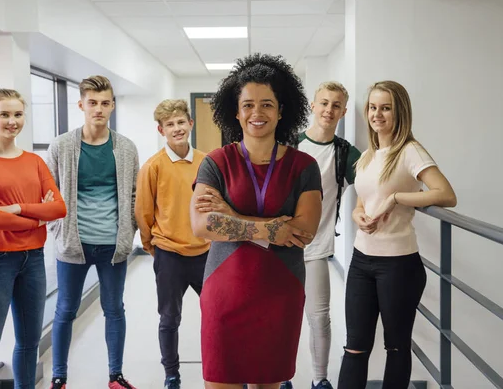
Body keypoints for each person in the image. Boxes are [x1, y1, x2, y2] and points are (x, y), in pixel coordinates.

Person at [190, 53, 323, 389]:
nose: (257, 113)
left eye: (267, 104)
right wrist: (269, 229)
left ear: (282, 111)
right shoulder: (216, 163)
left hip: (281, 292)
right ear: (236, 112)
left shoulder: (304, 167)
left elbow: (304, 231)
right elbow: (202, 225)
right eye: (248, 105)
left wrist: (233, 217)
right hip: (226, 291)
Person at [337, 81, 457, 389]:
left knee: (396, 346)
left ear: (399, 112)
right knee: (354, 347)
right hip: (362, 261)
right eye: (373, 107)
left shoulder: (410, 151)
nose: (377, 114)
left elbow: (445, 194)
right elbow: (363, 197)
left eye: (385, 108)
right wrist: (357, 214)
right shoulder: (368, 155)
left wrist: (399, 198)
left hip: (398, 265)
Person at [0, 89, 67, 388]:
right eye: (4, 114)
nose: (12, 121)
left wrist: (20, 208)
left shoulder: (35, 161)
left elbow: (59, 208)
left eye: (18, 114)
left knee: (28, 344)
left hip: (33, 259)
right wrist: (37, 217)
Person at [46, 76, 139, 389]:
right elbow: (48, 196)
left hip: (113, 245)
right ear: (81, 105)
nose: (99, 109)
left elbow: (135, 195)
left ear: (112, 105)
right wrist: (59, 230)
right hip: (73, 245)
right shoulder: (60, 146)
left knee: (114, 310)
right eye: (92, 103)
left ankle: (116, 376)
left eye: (105, 103)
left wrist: (130, 230)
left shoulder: (125, 147)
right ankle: (59, 377)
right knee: (65, 311)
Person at [283, 81, 361, 389]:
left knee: (319, 318)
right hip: (281, 245)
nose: (329, 109)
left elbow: (372, 181)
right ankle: (282, 378)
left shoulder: (345, 153)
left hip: (316, 247)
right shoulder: (291, 144)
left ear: (343, 111)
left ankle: (320, 379)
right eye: (324, 103)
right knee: (283, 316)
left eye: (336, 105)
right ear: (313, 106)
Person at [135, 99, 210, 389]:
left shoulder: (206, 162)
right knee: (169, 318)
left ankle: (219, 367)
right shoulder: (152, 166)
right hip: (169, 254)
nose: (177, 128)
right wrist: (153, 245)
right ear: (161, 130)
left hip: (205, 252)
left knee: (216, 314)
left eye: (181, 122)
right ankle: (171, 373)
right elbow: (143, 211)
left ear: (190, 124)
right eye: (170, 124)